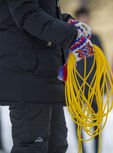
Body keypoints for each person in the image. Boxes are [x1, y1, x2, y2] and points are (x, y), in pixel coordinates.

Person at [0, 0, 93, 153]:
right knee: (33, 147)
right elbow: (27, 14)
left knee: (57, 145)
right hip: (28, 77)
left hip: (46, 75)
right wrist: (71, 36)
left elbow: (44, 12)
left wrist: (67, 22)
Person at [73, 7, 104, 153]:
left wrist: (103, 85)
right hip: (76, 87)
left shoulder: (96, 39)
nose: (84, 20)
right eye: (81, 18)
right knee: (77, 122)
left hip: (94, 87)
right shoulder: (71, 40)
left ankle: (97, 149)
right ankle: (82, 149)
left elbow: (103, 62)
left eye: (86, 18)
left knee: (96, 121)